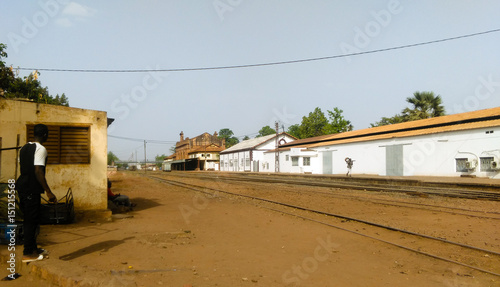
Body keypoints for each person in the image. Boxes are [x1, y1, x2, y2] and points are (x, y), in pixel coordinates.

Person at [16, 124, 57, 263]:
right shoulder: (41, 149)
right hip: (31, 188)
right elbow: (38, 171)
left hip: (22, 187)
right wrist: (49, 192)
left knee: (32, 219)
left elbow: (23, 168)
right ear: (45, 134)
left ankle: (33, 249)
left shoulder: (23, 148)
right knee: (30, 221)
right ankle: (28, 253)